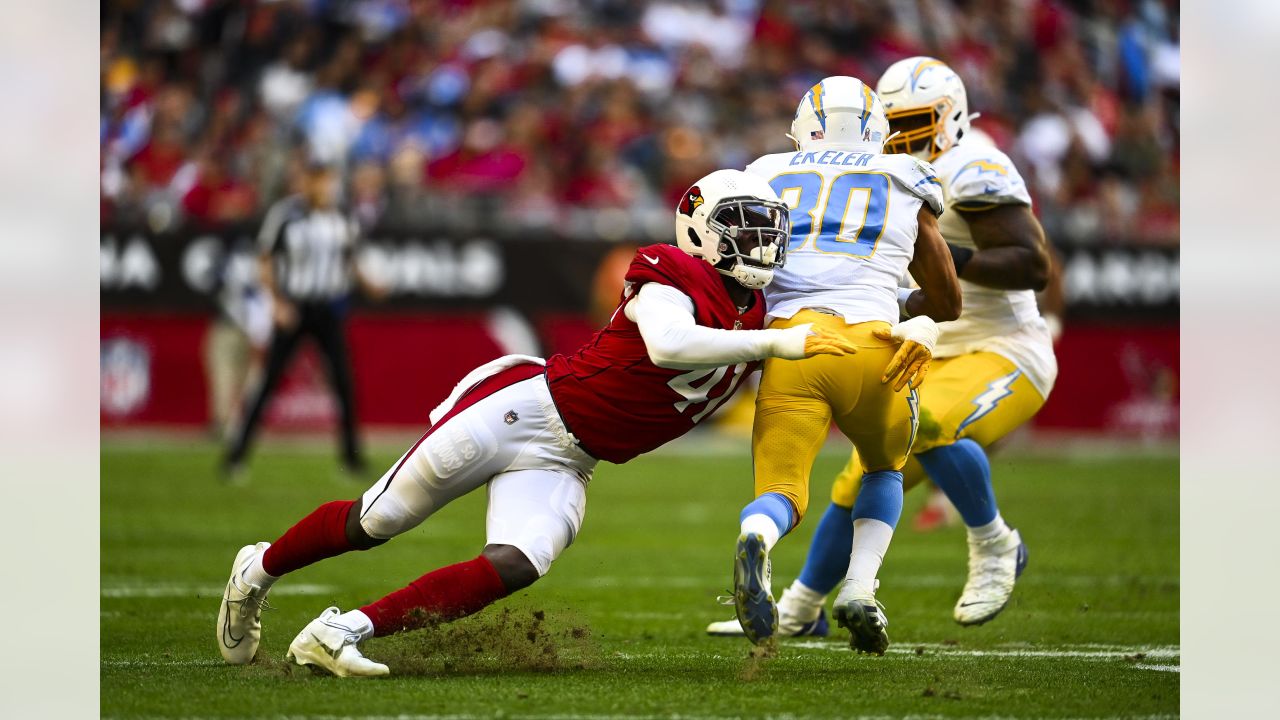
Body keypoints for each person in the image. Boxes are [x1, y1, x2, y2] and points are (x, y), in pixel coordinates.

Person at [216, 169, 899, 678]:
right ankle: (258, 571)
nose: (762, 242)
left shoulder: (757, 311)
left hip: (573, 458)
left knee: (516, 562)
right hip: (525, 410)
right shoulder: (669, 270)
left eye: (768, 228)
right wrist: (780, 346)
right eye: (746, 226)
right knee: (377, 521)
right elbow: (669, 345)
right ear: (701, 227)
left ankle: (342, 632)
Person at [708, 58, 1056, 641]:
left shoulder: (974, 165)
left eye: (917, 120)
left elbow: (1035, 265)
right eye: (893, 120)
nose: (904, 132)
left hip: (998, 344)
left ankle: (996, 542)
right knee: (856, 481)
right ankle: (802, 607)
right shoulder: (897, 172)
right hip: (902, 336)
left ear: (950, 117)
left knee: (930, 426)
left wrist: (926, 267)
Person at [728, 75, 962, 654]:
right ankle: (859, 586)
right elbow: (949, 299)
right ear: (877, 129)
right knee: (882, 469)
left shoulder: (764, 172)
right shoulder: (905, 174)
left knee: (783, 490)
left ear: (802, 126)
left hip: (794, 346)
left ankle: (756, 531)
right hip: (874, 346)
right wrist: (905, 305)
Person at [222, 162, 385, 480]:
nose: (324, 188)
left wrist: (371, 284)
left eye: (328, 181)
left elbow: (349, 260)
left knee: (343, 383)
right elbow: (265, 260)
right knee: (269, 381)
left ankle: (351, 460)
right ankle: (236, 456)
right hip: (294, 307)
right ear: (306, 182)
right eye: (318, 181)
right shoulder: (285, 215)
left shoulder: (342, 217)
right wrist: (278, 303)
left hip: (328, 309)